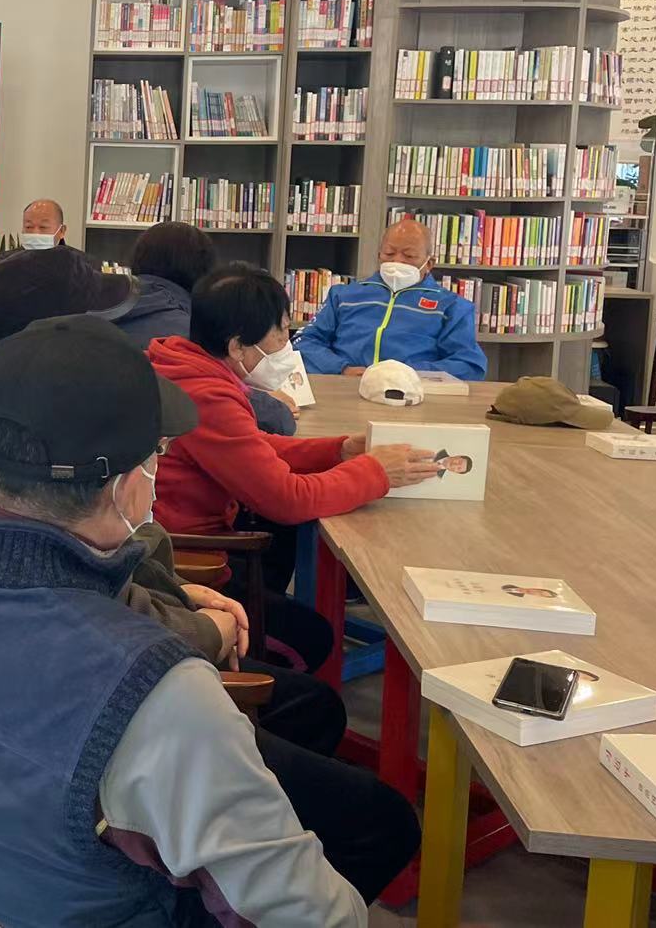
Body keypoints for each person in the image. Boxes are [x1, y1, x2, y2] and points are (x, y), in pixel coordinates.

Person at [0, 315, 376, 927]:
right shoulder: (161, 694)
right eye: (158, 456)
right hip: (86, 906)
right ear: (127, 489)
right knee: (375, 823)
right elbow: (314, 917)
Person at [0, 245, 396, 822]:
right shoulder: (45, 452)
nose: (118, 334)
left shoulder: (9, 423)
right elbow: (76, 600)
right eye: (98, 324)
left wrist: (174, 589)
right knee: (366, 804)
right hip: (120, 699)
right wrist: (195, 623)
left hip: (126, 636)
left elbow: (85, 572)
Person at [147, 264, 440, 671]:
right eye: (282, 333)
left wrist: (339, 450)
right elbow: (287, 498)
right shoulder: (205, 393)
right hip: (194, 561)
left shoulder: (186, 366)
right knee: (314, 638)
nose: (288, 345)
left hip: (194, 540)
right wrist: (376, 473)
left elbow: (251, 448)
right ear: (238, 346)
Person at [118, 219, 297, 435]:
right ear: (205, 274)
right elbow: (215, 395)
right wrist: (269, 403)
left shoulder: (102, 306)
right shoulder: (188, 334)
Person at [296, 218, 488, 379]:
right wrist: (341, 368)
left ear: (429, 263)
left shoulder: (452, 306)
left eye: (409, 256)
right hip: (345, 388)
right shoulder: (343, 295)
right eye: (389, 253)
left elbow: (469, 364)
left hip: (415, 394)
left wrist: (409, 373)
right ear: (379, 255)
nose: (397, 261)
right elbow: (304, 342)